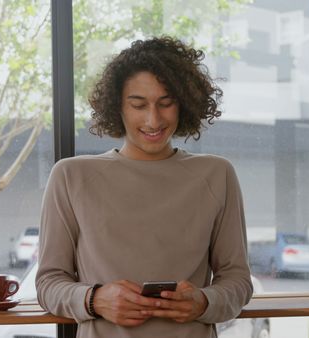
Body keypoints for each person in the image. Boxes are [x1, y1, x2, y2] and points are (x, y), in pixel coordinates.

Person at [36, 36, 252, 338]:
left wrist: (204, 302)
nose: (154, 119)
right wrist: (95, 300)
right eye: (138, 104)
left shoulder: (217, 174)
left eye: (166, 103)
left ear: (184, 105)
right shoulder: (71, 176)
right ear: (117, 107)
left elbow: (238, 279)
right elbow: (48, 283)